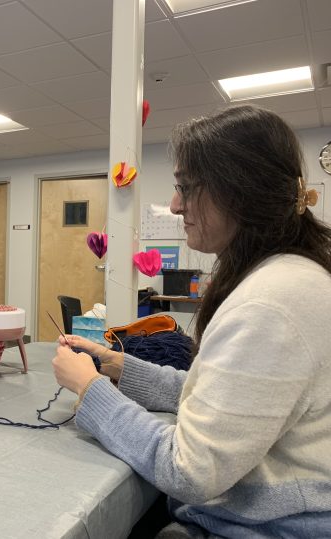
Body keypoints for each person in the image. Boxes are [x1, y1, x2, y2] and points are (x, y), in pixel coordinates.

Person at [52, 105, 331, 537]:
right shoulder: (286, 277)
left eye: (185, 187)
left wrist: (90, 393)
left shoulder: (271, 305)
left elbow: (191, 472)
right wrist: (119, 367)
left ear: (239, 191)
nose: (176, 205)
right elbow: (231, 398)